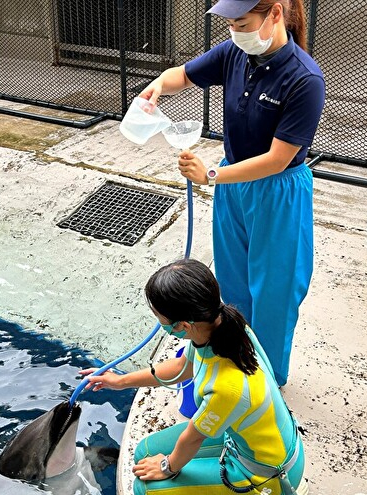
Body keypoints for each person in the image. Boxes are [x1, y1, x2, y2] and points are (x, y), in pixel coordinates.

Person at [138, 0, 325, 386]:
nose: (235, 32)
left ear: (275, 14)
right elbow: (183, 76)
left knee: (273, 292)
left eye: (242, 22)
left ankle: (265, 383)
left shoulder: (305, 79)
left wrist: (211, 174)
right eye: (230, 24)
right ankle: (234, 366)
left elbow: (278, 158)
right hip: (233, 186)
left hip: (277, 192)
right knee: (234, 283)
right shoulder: (234, 53)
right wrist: (157, 87)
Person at [81, 258, 308, 494]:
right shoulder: (219, 329)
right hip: (242, 438)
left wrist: (167, 467)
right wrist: (119, 381)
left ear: (184, 326)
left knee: (146, 488)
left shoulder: (227, 387)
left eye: (160, 318)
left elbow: (192, 439)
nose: (159, 322)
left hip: (267, 471)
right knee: (143, 452)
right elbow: (181, 367)